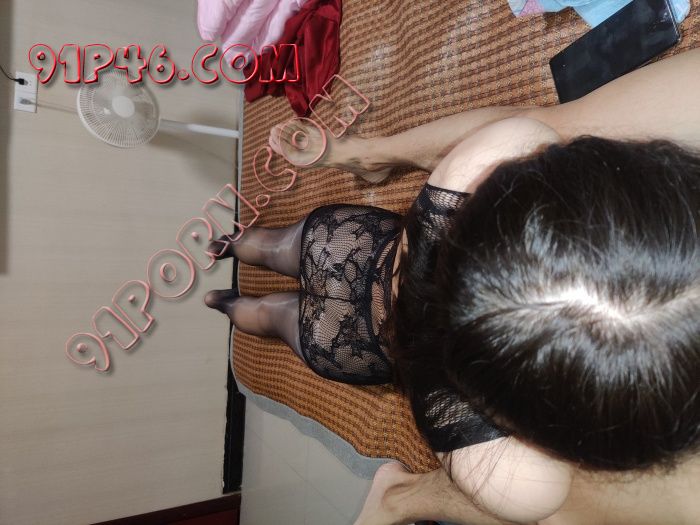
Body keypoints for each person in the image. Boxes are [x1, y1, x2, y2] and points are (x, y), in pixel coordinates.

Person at [205, 48, 700, 524]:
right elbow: (540, 495)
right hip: (349, 344)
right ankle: (228, 303)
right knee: (271, 316)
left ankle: (229, 249)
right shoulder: (510, 481)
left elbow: (525, 136)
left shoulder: (491, 155)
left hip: (351, 245)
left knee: (275, 246)